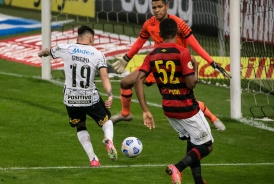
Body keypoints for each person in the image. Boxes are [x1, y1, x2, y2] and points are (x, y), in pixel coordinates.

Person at [111, 0, 227, 131]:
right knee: (125, 83)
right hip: (158, 65)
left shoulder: (179, 24)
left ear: (167, 6)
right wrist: (126, 58)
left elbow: (195, 45)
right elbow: (139, 42)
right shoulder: (149, 24)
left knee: (183, 100)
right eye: (154, 7)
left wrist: (212, 63)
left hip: (178, 68)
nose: (157, 10)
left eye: (160, 7)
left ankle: (213, 118)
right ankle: (125, 114)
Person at [134, 17, 213, 184]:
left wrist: (145, 110)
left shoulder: (152, 55)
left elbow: (138, 80)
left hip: (169, 109)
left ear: (160, 34)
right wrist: (196, 68)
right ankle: (177, 167)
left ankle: (198, 181)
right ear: (177, 32)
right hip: (187, 108)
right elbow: (191, 84)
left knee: (193, 142)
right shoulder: (182, 52)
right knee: (207, 145)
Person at [38, 25, 117, 167]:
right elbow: (104, 76)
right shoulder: (97, 54)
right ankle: (108, 139)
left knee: (80, 126)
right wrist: (110, 95)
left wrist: (41, 53)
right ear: (91, 38)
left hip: (71, 99)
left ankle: (93, 159)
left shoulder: (66, 48)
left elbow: (46, 51)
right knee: (107, 122)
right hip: (90, 97)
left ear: (77, 37)